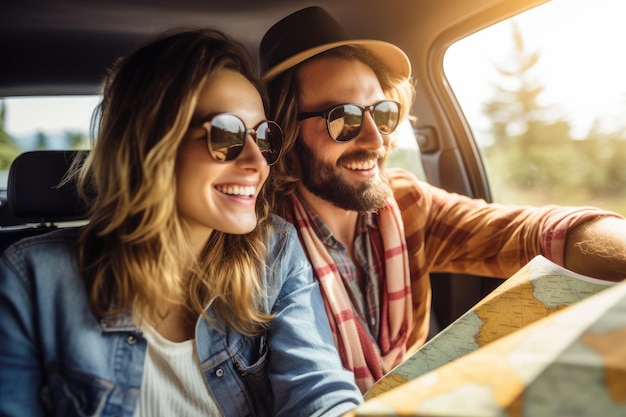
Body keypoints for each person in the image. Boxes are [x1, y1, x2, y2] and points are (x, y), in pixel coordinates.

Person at [259, 6, 626, 393]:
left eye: (381, 113)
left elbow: (535, 233)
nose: (376, 139)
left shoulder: (408, 204)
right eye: (343, 118)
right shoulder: (259, 244)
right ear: (283, 134)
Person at [0, 27, 363, 416]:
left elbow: (318, 388)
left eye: (263, 137)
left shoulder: (274, 253)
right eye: (226, 135)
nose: (258, 163)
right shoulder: (31, 280)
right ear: (151, 144)